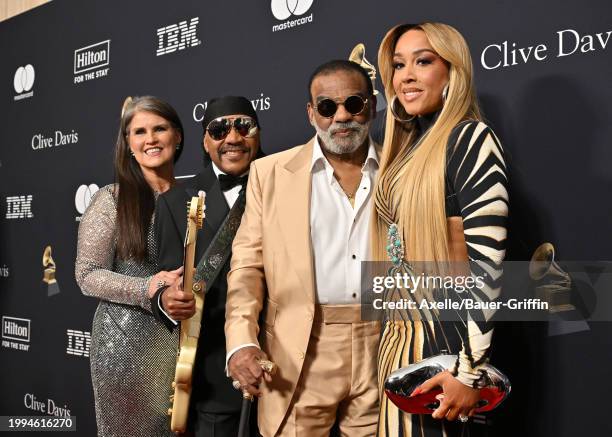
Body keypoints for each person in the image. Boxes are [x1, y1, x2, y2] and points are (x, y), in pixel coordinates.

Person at [225, 60, 381, 437]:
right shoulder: (271, 173)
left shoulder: (402, 169)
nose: (341, 117)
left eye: (353, 104)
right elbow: (247, 267)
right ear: (312, 114)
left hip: (383, 346)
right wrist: (242, 341)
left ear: (372, 107)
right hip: (299, 352)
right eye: (327, 107)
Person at [373, 23, 509, 436]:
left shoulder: (469, 138)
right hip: (398, 344)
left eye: (423, 61)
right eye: (398, 65)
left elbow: (487, 266)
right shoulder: (407, 149)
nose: (406, 76)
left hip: (444, 349)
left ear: (452, 72)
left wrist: (469, 373)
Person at [151, 96, 263, 436]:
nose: (232, 138)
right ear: (205, 140)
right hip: (214, 378)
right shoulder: (174, 200)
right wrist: (165, 301)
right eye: (219, 129)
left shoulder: (288, 187)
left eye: (243, 126)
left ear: (257, 134)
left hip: (286, 370)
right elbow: (168, 283)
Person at [75, 96, 185, 437]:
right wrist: (146, 287)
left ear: (177, 136)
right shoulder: (112, 199)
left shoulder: (195, 199)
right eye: (139, 132)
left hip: (186, 347)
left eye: (159, 128)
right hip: (126, 347)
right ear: (129, 144)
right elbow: (86, 274)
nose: (150, 138)